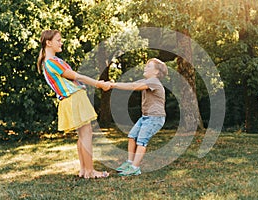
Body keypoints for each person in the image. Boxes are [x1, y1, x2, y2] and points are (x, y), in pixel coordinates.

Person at [37, 30, 110, 179]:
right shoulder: (53, 62)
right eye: (58, 40)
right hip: (74, 97)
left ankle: (84, 170)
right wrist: (98, 84)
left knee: (82, 134)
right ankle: (90, 171)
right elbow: (77, 76)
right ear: (48, 43)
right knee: (86, 133)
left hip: (68, 99)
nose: (61, 42)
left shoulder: (46, 63)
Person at [110, 58, 168, 176]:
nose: (145, 67)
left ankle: (135, 168)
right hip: (146, 117)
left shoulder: (154, 81)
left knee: (141, 141)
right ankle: (130, 162)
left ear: (156, 72)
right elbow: (132, 84)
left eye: (148, 66)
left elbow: (133, 86)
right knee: (132, 136)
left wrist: (113, 84)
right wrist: (111, 85)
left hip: (155, 118)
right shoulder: (147, 81)